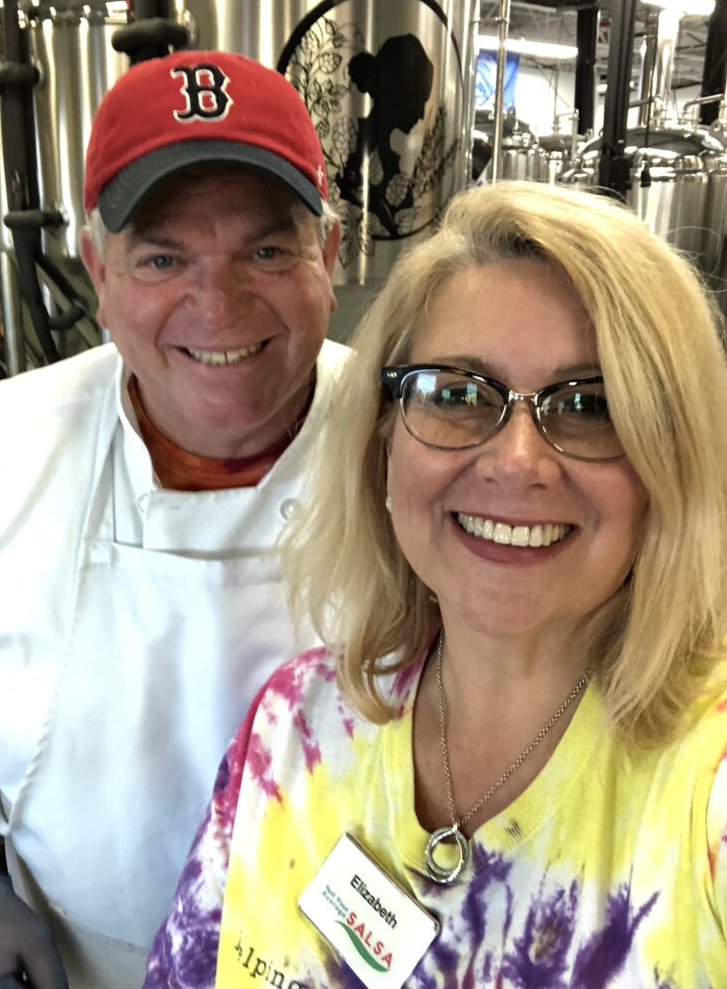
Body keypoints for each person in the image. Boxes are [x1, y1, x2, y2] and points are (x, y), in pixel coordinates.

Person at [145, 180, 727, 988]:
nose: (517, 462)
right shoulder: (294, 724)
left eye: (589, 405)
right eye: (456, 394)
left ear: (671, 455)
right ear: (382, 437)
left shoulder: (708, 795)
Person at [0, 48, 344, 988]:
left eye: (265, 248)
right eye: (163, 257)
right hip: (73, 962)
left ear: (331, 253)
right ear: (97, 270)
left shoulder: (417, 447)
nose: (217, 304)